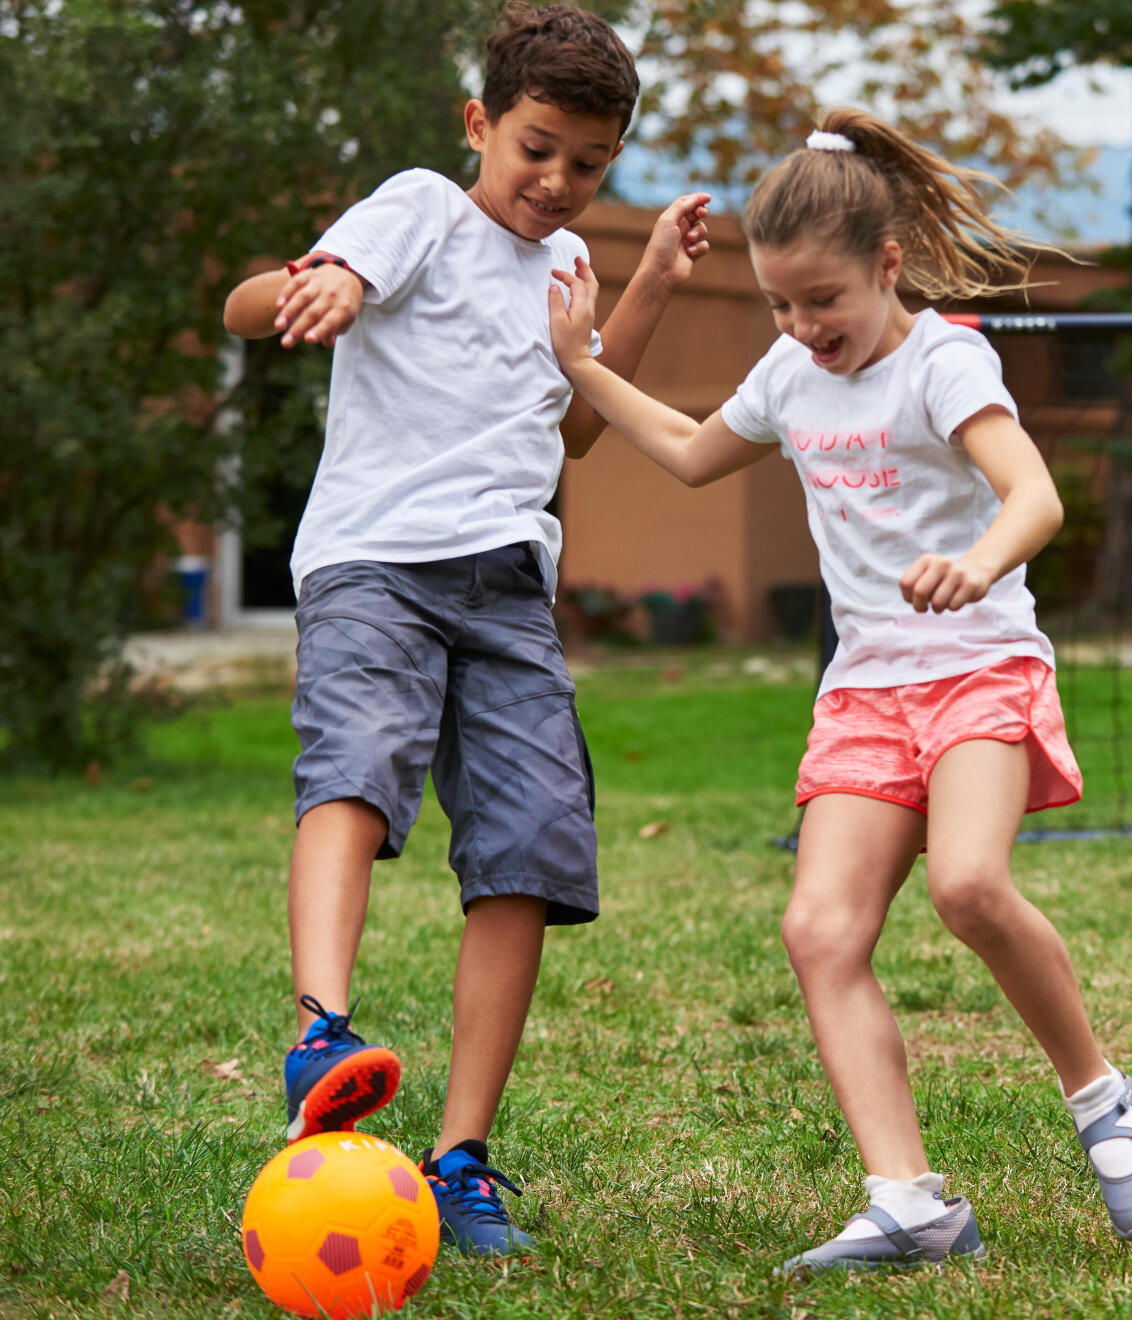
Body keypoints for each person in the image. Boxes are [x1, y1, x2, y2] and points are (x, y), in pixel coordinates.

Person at [544, 107, 1132, 1273]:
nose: (801, 327)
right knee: (819, 928)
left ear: (887, 266)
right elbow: (691, 453)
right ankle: (910, 1203)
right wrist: (585, 365)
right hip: (867, 696)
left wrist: (976, 562)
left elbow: (1033, 497)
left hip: (980, 665)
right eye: (783, 305)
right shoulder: (793, 371)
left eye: (822, 302)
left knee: (971, 886)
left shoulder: (943, 360)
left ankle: (1102, 1098)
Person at [219, 1, 710, 1257]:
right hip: (377, 563)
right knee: (359, 767)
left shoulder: (564, 267)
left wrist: (646, 279)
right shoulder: (420, 208)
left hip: (508, 587)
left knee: (532, 845)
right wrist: (317, 278)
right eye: (538, 147)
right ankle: (320, 1032)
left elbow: (580, 426)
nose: (558, 179)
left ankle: (461, 1157)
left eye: (588, 162)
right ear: (481, 123)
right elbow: (244, 307)